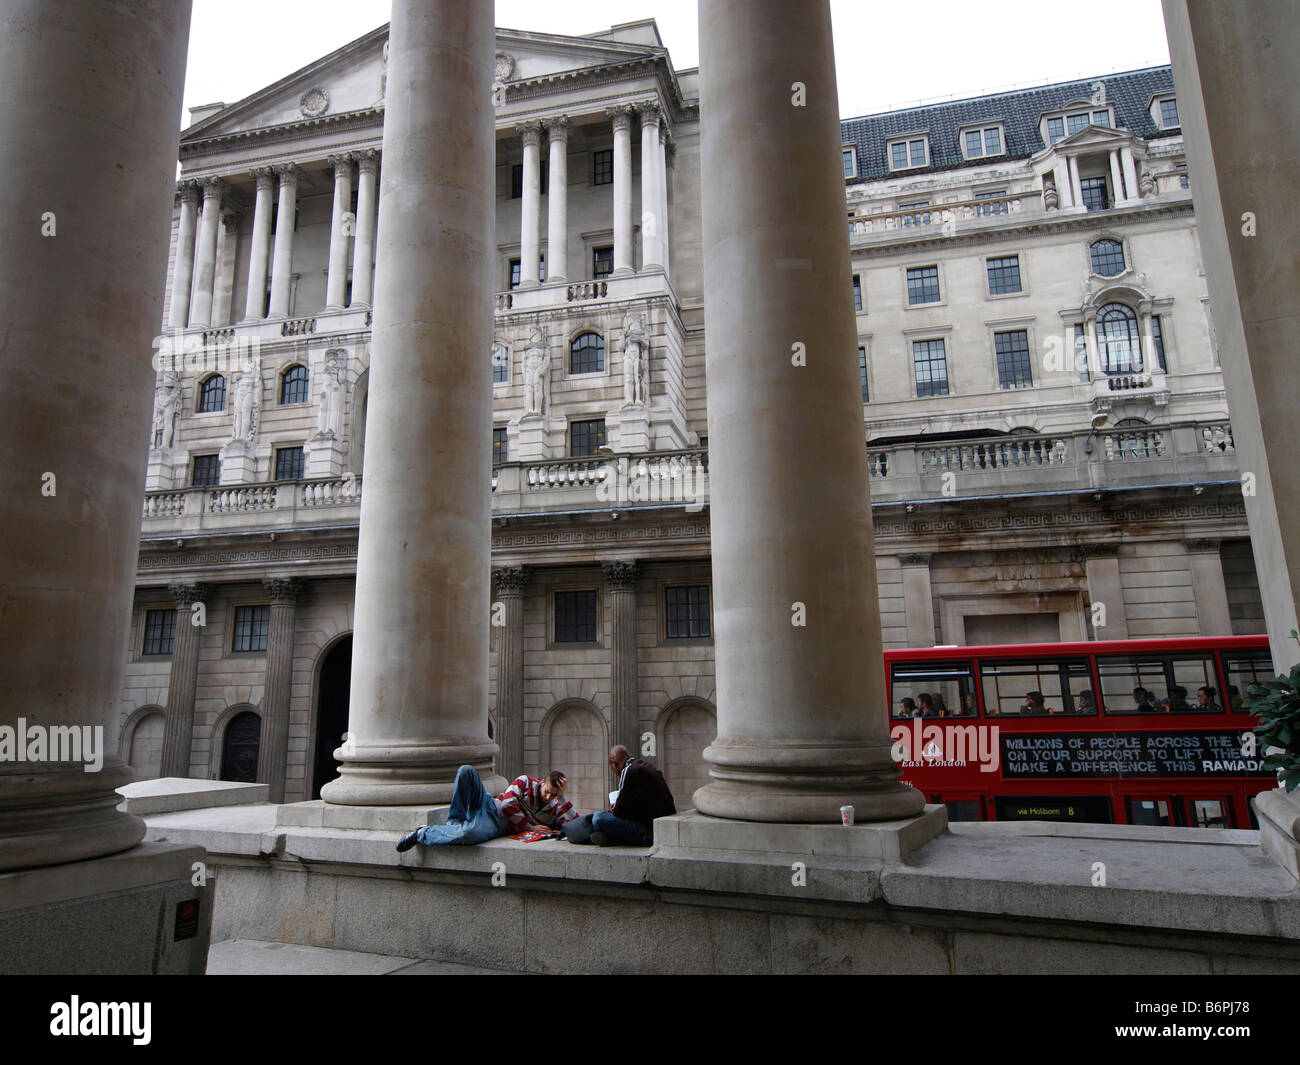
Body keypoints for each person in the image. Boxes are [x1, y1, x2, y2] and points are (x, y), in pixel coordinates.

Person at [395, 765, 576, 851]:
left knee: (469, 833)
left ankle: (422, 833)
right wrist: (529, 827)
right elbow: (507, 803)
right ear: (542, 782)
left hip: (495, 823)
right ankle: (455, 822)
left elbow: (573, 822)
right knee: (466, 771)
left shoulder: (555, 808)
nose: (549, 797)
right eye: (548, 791)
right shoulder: (526, 781)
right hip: (490, 804)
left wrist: (562, 796)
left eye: (554, 795)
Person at [591, 745, 677, 847]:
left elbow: (619, 812)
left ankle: (616, 839)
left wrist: (613, 808)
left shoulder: (628, 770)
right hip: (662, 828)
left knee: (598, 817)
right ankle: (614, 838)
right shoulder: (647, 767)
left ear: (614, 763)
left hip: (647, 833)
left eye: (612, 767)